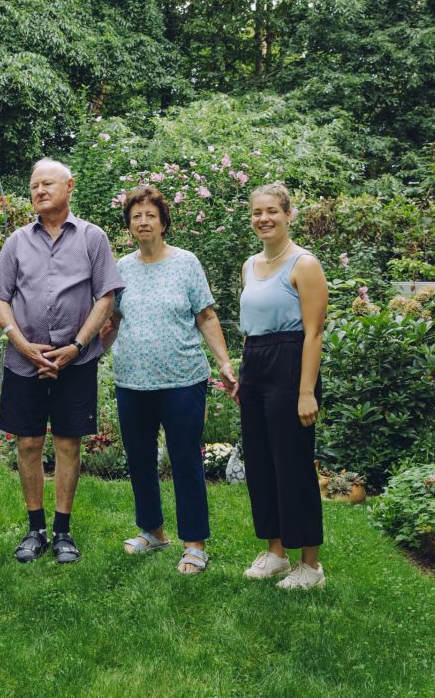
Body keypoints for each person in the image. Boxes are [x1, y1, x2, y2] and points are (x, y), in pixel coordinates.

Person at [0, 158, 124, 564]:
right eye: (34, 186)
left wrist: (76, 346)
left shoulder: (93, 238)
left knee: (67, 443)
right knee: (28, 442)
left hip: (74, 361)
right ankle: (35, 529)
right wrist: (22, 344)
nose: (40, 191)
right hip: (24, 360)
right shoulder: (17, 241)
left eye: (47, 184)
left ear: (69, 186)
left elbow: (106, 297)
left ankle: (62, 531)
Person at [101, 186, 238, 574]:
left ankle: (194, 543)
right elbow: (114, 320)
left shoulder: (186, 263)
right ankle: (153, 531)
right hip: (132, 381)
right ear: (129, 225)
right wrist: (89, 352)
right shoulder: (122, 268)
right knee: (140, 458)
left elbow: (206, 316)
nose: (143, 222)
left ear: (163, 223)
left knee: (185, 459)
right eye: (136, 216)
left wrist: (224, 363)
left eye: (151, 215)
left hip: (182, 380)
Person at [237, 182, 329, 589]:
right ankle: (276, 553)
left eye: (272, 211)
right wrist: (244, 375)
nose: (264, 219)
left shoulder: (303, 264)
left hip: (291, 363)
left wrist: (306, 391)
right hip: (255, 363)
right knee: (260, 463)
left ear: (288, 214)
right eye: (257, 212)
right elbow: (251, 327)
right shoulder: (249, 265)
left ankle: (311, 565)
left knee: (292, 464)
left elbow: (314, 333)